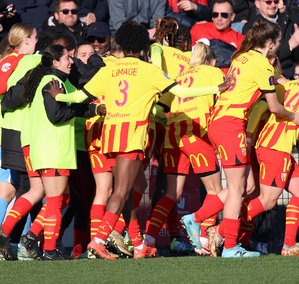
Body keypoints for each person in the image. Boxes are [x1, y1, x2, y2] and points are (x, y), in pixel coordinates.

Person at [47, 22, 233, 260]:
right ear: (143, 46)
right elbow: (181, 93)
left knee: (126, 193)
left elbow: (81, 96)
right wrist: (217, 87)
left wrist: (58, 95)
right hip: (132, 137)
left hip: (110, 136)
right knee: (122, 192)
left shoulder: (107, 68)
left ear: (121, 44)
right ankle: (99, 240)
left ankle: (138, 244)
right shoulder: (149, 70)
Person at [182, 21, 299, 258]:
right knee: (238, 189)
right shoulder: (261, 63)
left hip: (221, 123)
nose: (278, 47)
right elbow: (273, 106)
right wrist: (296, 115)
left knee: (247, 186)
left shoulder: (242, 57)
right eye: (278, 43)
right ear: (270, 44)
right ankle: (227, 245)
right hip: (231, 126)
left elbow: (276, 80)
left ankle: (198, 220)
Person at [234, 55, 299, 257]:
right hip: (277, 149)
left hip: (267, 145)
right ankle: (224, 229)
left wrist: (249, 139)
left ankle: (289, 245)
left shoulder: (287, 86)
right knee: (267, 201)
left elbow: (260, 108)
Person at [19, 44, 100, 260]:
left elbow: (64, 111)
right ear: (55, 62)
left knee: (62, 200)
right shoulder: (52, 82)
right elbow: (57, 116)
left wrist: (91, 110)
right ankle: (48, 249)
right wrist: (84, 110)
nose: (71, 61)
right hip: (53, 149)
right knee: (55, 201)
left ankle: (33, 235)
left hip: (55, 149)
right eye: (67, 58)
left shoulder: (55, 82)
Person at [144, 42, 224, 255]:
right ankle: (202, 234)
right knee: (216, 191)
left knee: (172, 193)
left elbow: (160, 109)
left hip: (172, 135)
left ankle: (148, 240)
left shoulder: (181, 77)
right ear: (213, 60)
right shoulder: (214, 72)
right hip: (196, 132)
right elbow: (224, 102)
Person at [0, 23, 38, 261]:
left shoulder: (15, 62)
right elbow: (0, 87)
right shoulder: (12, 61)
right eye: (34, 39)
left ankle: (18, 246)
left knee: (26, 190)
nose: (37, 43)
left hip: (12, 136)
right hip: (9, 137)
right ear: (25, 41)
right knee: (6, 192)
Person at [243, 0, 299, 80]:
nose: (273, 5)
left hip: (293, 74)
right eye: (268, 2)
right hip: (269, 76)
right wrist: (289, 46)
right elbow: (258, 57)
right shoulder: (253, 27)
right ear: (257, 4)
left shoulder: (287, 19)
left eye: (276, 1)